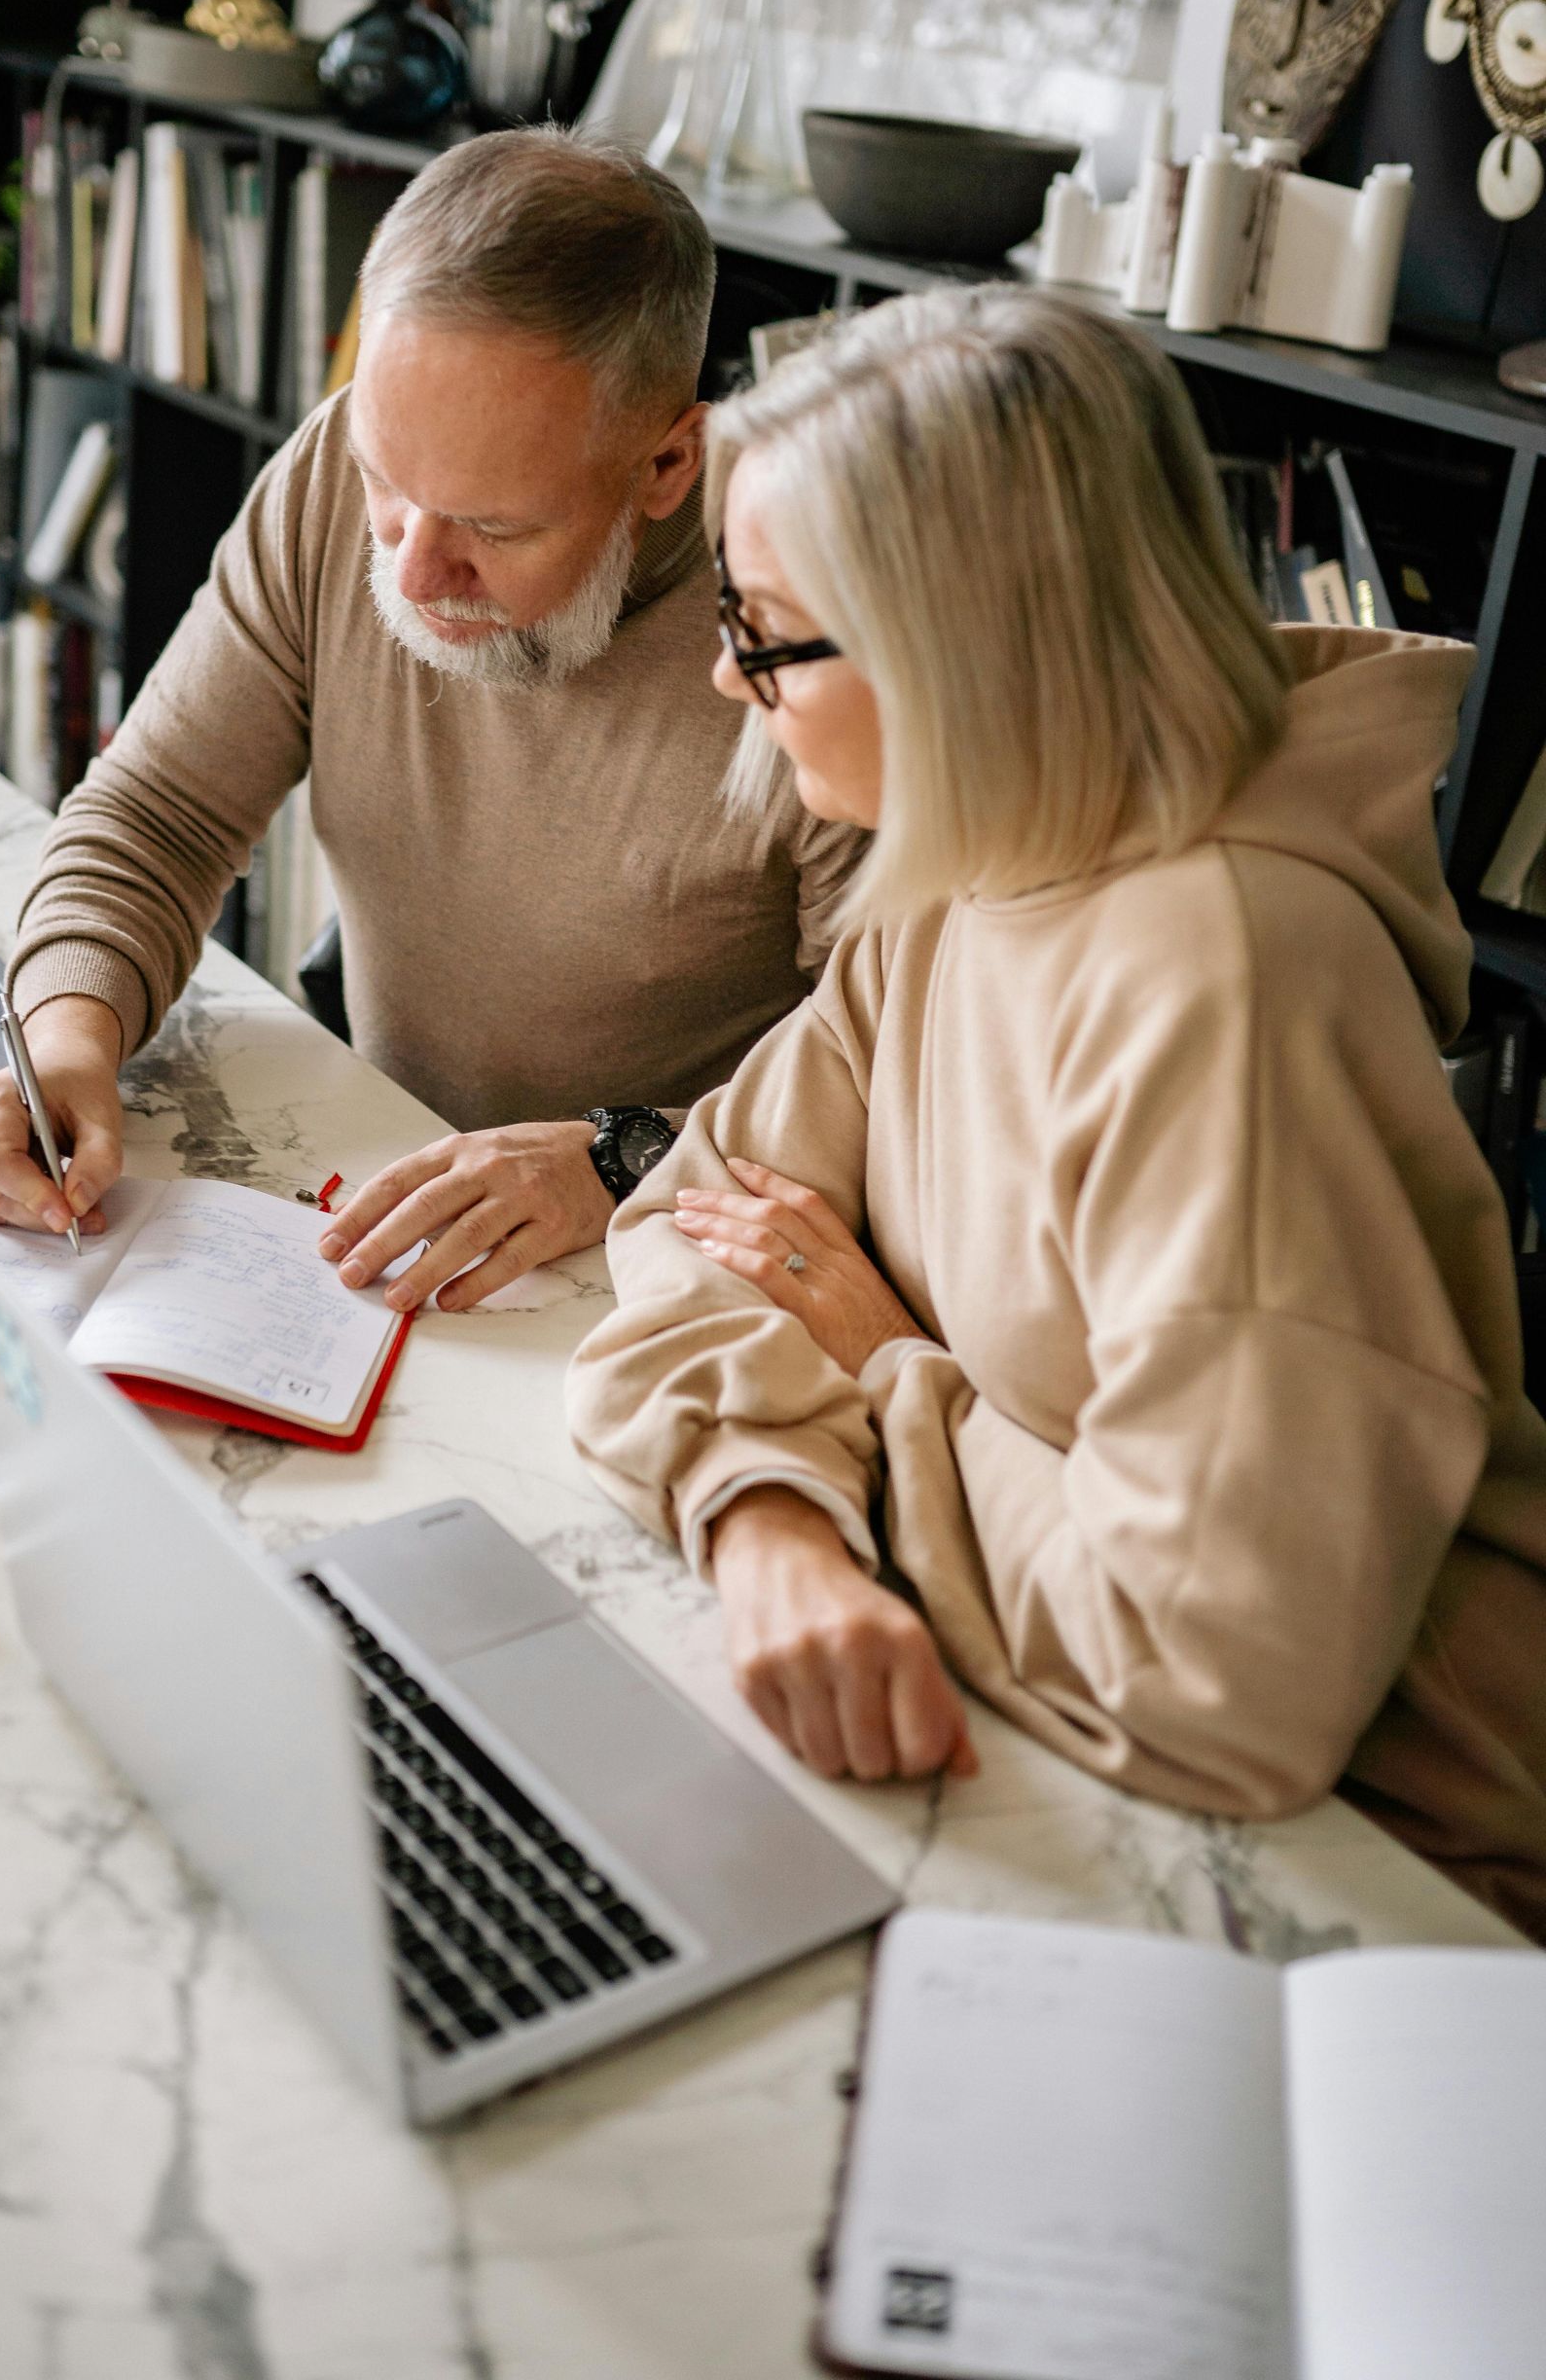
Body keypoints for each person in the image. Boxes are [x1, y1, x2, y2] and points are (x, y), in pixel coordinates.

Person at [566, 284, 1546, 1938]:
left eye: (767, 630)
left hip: (1387, 1892)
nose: (731, 682)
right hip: (1075, 1765)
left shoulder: (1227, 983)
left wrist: (885, 1370)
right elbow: (691, 1223)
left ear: (960, 656)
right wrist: (768, 1525)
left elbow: (1209, 1677)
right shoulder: (964, 867)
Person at [0, 129, 860, 1312]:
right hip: (374, 1171)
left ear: (668, 464)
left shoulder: (818, 618)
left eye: (496, 526)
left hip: (662, 1261)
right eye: (389, 481)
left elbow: (894, 1077)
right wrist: (68, 1038)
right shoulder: (335, 470)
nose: (414, 572)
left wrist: (618, 1158)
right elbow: (160, 811)